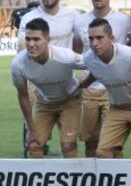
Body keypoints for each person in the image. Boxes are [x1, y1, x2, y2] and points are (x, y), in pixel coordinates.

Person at [74, 0, 131, 157]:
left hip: (115, 91)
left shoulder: (124, 20)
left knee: (114, 146)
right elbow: (79, 52)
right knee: (91, 144)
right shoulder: (79, 21)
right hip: (89, 92)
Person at [17, 0, 79, 157]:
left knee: (69, 145)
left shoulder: (72, 16)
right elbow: (22, 50)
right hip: (37, 87)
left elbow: (79, 45)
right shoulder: (29, 18)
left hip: (65, 86)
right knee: (34, 143)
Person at [80, 18, 131, 158]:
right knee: (103, 152)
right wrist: (81, 86)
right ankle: (118, 179)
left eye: (99, 38)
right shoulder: (89, 59)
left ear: (112, 38)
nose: (94, 43)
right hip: (118, 108)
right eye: (91, 38)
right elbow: (97, 72)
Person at [11, 18, 86, 158]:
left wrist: (85, 84)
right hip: (43, 103)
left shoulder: (66, 56)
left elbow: (94, 64)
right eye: (28, 39)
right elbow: (23, 96)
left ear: (47, 39)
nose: (31, 44)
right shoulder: (18, 64)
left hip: (69, 102)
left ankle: (71, 178)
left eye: (36, 39)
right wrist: (31, 128)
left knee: (68, 147)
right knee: (33, 146)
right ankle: (35, 180)